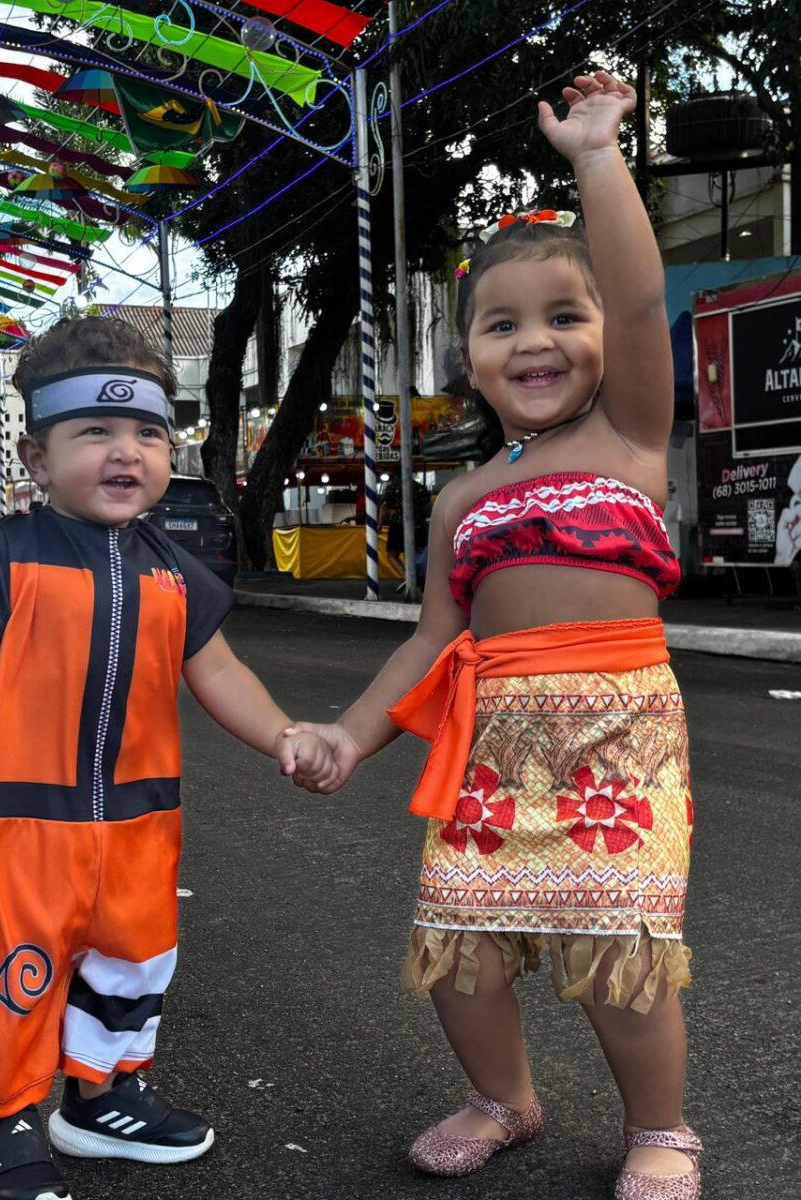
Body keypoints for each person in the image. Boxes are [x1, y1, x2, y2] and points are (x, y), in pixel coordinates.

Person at [290, 73, 701, 1199]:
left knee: (622, 955)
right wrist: (349, 732)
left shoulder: (631, 434)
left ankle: (661, 1131)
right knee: (460, 953)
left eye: (565, 318)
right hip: (489, 749)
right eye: (502, 323)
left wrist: (598, 157)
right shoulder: (459, 496)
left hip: (620, 742)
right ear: (465, 350)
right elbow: (431, 639)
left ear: (607, 338)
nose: (537, 342)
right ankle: (501, 1100)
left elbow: (633, 281)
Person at [0, 317, 338, 1200]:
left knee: (132, 964)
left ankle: (98, 1099)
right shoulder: (6, 557)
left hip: (142, 820)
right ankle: (6, 1127)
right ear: (35, 454)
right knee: (14, 973)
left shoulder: (175, 571)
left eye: (147, 433)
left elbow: (219, 671)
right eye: (94, 431)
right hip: (16, 822)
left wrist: (284, 732)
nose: (126, 452)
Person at [380, 476, 431, 587]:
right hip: (418, 525)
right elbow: (427, 506)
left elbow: (384, 507)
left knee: (392, 555)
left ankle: (407, 578)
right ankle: (420, 578)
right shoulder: (419, 487)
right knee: (418, 554)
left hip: (398, 525)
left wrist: (379, 524)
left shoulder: (392, 488)